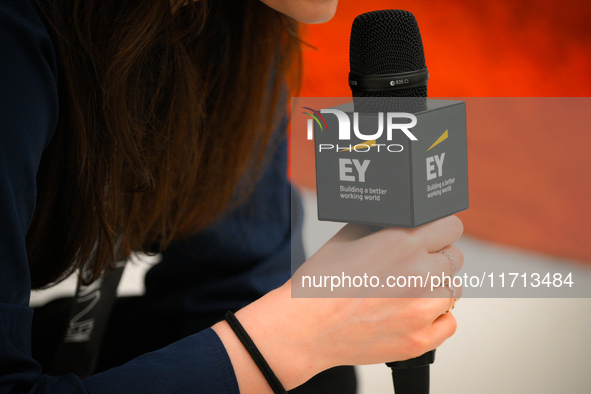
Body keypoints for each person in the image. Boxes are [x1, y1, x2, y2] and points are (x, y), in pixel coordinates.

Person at [0, 0, 464, 393]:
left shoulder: (233, 24)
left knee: (319, 378)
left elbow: (236, 286)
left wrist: (314, 327)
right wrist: (302, 331)